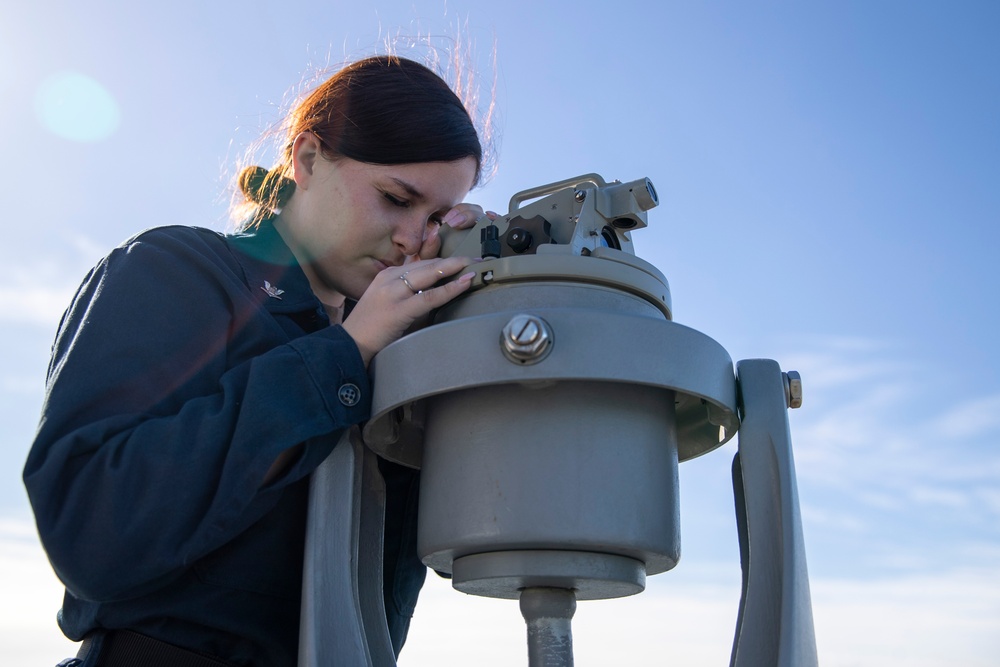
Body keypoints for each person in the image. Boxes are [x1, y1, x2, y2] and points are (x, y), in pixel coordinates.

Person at [24, 55, 494, 667]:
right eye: (395, 198)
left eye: (435, 218)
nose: (412, 237)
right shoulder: (174, 271)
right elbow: (93, 533)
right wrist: (345, 354)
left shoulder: (403, 351)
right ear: (307, 159)